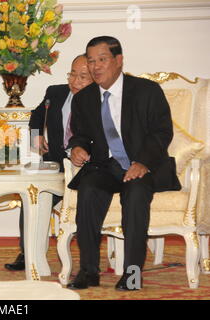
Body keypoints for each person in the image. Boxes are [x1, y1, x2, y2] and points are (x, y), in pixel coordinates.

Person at [66, 36, 181, 290]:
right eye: (91, 61)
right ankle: (88, 271)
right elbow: (81, 133)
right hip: (106, 167)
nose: (96, 67)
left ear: (118, 61)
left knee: (137, 193)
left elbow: (161, 132)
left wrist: (142, 162)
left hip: (142, 166)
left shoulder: (146, 91)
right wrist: (78, 147)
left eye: (102, 60)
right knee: (88, 189)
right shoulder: (84, 99)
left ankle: (132, 273)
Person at [4, 54, 93, 271]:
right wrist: (36, 134)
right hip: (54, 167)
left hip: (86, 170)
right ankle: (28, 253)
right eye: (73, 74)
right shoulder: (56, 92)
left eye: (83, 77)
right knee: (31, 197)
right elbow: (36, 115)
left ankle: (88, 260)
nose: (75, 81)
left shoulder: (100, 101)